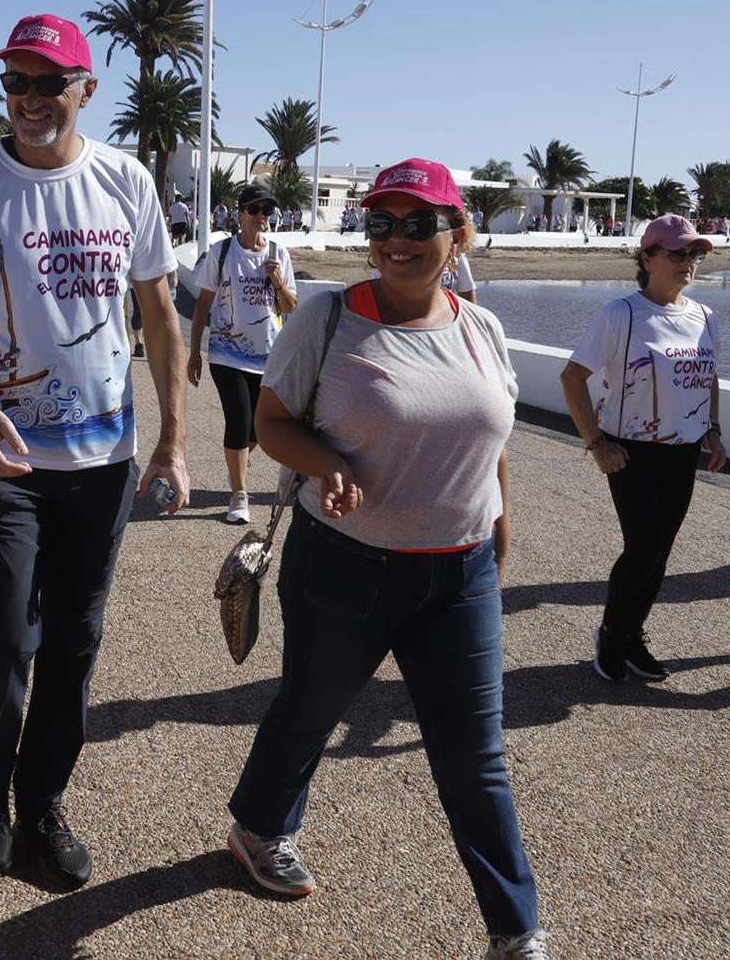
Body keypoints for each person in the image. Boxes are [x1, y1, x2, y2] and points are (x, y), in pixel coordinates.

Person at [226, 158, 547, 960]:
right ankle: (259, 826)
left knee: (477, 756)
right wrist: (328, 464)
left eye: (417, 223)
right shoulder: (330, 318)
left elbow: (493, 432)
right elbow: (271, 421)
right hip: (347, 564)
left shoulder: (483, 327)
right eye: (380, 224)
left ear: (457, 233)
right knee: (309, 709)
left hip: (461, 571)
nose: (396, 241)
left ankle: (515, 930)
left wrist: (499, 520)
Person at [0, 13, 188, 890]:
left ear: (85, 90)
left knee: (75, 640)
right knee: (5, 637)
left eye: (48, 83)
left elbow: (160, 317)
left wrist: (174, 438)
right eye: (16, 83)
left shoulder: (125, 181)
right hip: (1, 459)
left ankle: (43, 807)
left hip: (102, 462)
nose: (30, 100)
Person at [560, 214, 728, 682]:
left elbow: (708, 377)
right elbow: (573, 378)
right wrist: (596, 442)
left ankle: (633, 636)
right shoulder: (622, 314)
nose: (688, 262)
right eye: (676, 253)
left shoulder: (705, 317)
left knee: (662, 549)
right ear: (647, 257)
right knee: (644, 545)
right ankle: (612, 635)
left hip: (684, 451)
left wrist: (713, 430)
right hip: (630, 451)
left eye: (694, 254)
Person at [187, 185, 298, 524]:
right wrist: (195, 353)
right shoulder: (222, 253)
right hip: (226, 352)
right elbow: (203, 305)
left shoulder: (279, 253)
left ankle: (236, 463)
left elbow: (290, 306)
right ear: (240, 214)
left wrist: (278, 281)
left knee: (259, 431)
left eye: (267, 209)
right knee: (238, 421)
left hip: (269, 355)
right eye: (255, 209)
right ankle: (239, 495)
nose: (262, 215)